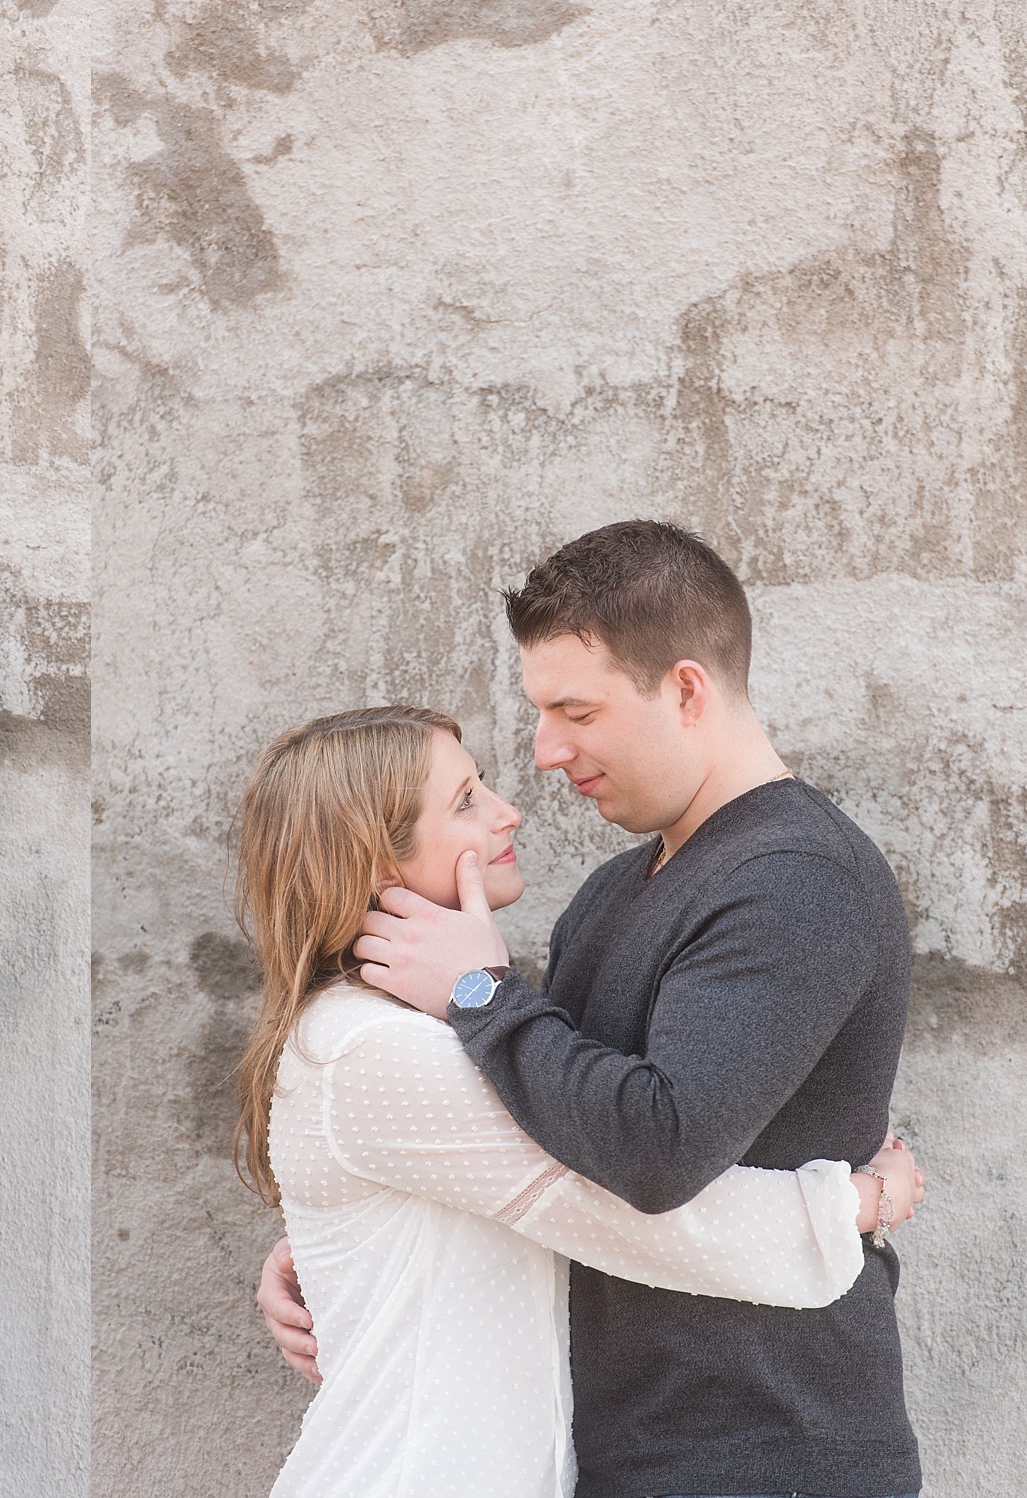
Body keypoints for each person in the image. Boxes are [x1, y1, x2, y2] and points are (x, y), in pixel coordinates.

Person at [261, 521, 928, 1498]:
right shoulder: (612, 893)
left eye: (572, 710)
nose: (541, 754)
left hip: (765, 1452)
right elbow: (547, 1134)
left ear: (686, 690)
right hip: (624, 1451)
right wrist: (357, 1225)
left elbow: (653, 1148)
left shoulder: (793, 881)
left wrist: (481, 993)